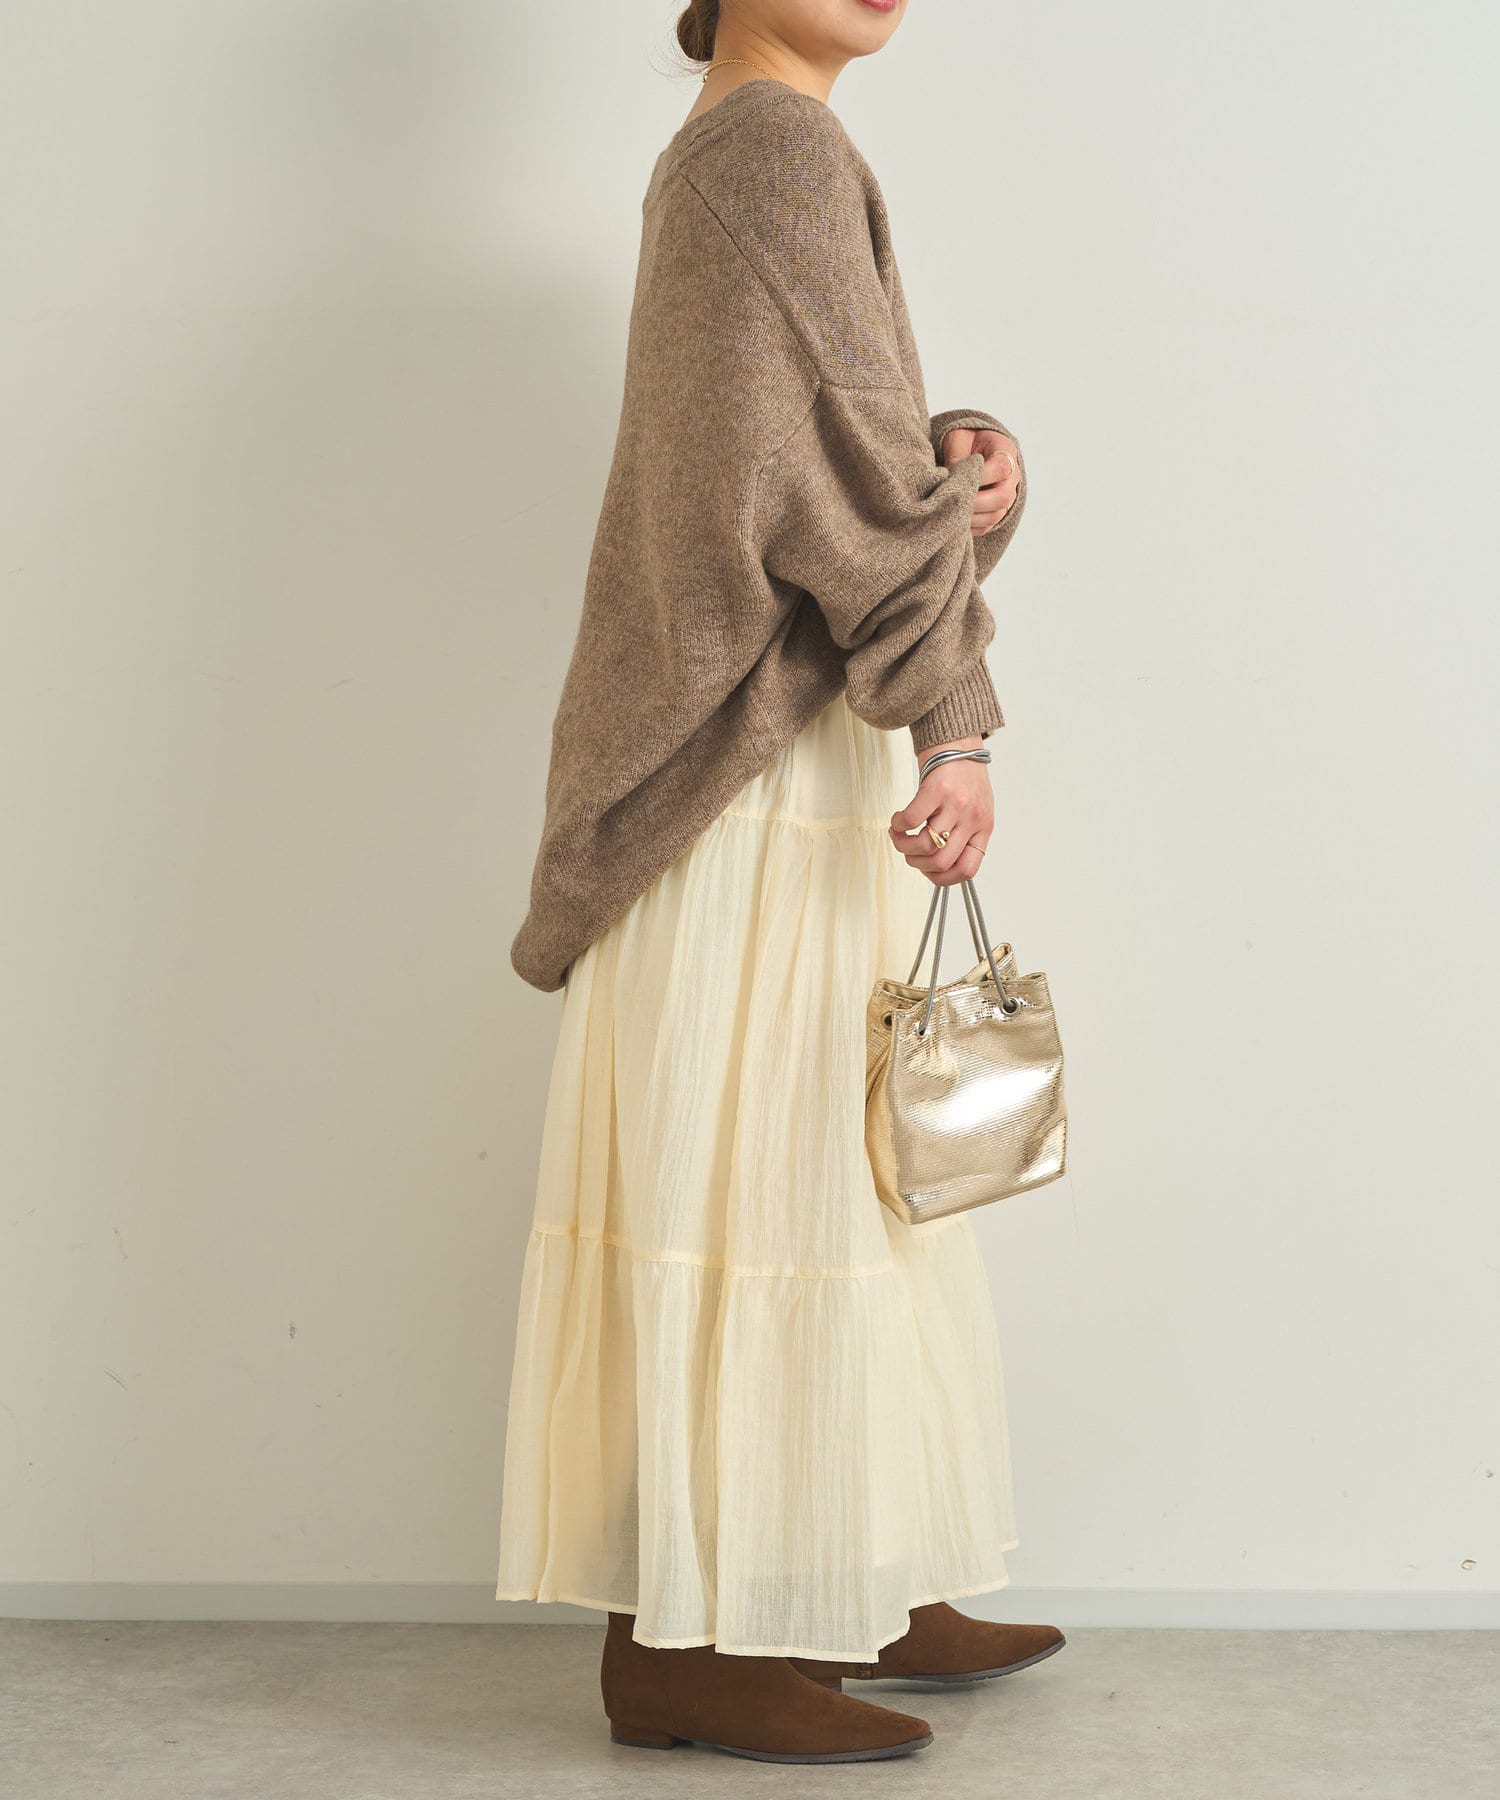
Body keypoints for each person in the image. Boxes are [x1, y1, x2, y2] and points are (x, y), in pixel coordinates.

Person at [496, 0, 1064, 1763]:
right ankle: (687, 1648)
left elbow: (824, 463)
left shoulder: (739, 151)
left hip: (772, 763)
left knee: (823, 1188)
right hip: (745, 783)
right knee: (762, 1195)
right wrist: (956, 725)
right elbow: (827, 504)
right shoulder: (771, 151)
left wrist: (948, 460)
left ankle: (837, 1577)